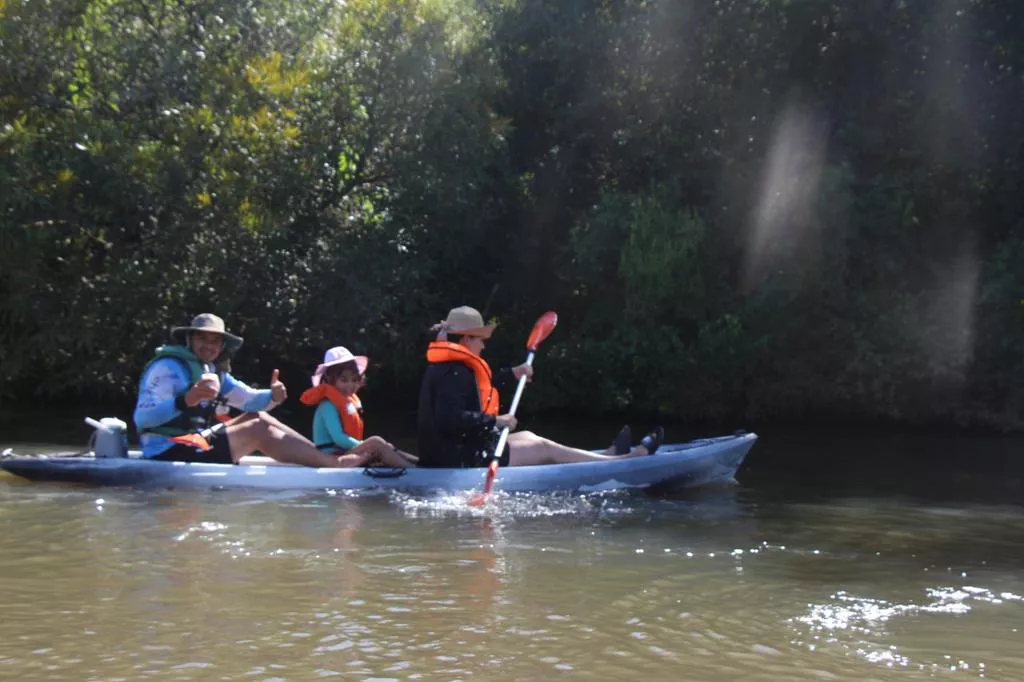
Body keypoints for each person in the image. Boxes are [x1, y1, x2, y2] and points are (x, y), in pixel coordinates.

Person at [416, 306, 663, 468]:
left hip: (457, 451)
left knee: (529, 436)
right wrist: (497, 421)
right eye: (480, 339)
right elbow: (450, 419)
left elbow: (480, 388)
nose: (484, 346)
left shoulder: (451, 368)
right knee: (542, 448)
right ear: (466, 339)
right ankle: (621, 461)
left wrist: (514, 373)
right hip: (459, 459)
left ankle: (607, 456)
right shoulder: (454, 372)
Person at [133, 313, 346, 468]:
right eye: (202, 338)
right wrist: (185, 400)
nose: (209, 345)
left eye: (215, 340)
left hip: (192, 441)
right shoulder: (167, 368)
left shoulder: (213, 371)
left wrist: (273, 395)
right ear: (189, 340)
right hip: (164, 451)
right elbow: (142, 419)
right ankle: (333, 464)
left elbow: (250, 401)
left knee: (258, 416)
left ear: (222, 346)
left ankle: (321, 456)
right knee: (258, 429)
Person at [299, 346, 416, 468]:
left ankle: (419, 465)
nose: (350, 385)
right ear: (329, 378)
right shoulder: (327, 405)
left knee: (387, 446)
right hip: (331, 457)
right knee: (376, 442)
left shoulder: (348, 402)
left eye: (354, 380)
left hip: (344, 452)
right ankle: (415, 472)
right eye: (344, 380)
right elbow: (338, 438)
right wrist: (366, 445)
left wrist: (367, 446)